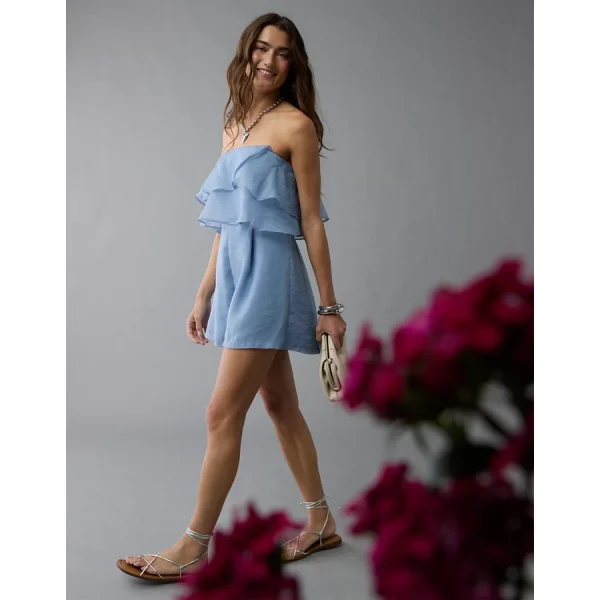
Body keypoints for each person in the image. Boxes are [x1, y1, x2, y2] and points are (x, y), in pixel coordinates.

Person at [117, 12, 346, 583]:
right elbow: (227, 221)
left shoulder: (296, 126)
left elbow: (311, 221)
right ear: (247, 54)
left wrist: (329, 307)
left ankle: (193, 546)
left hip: (270, 278)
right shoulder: (234, 125)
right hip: (237, 276)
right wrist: (204, 293)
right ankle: (321, 522)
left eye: (283, 52)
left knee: (221, 414)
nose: (270, 60)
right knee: (280, 406)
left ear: (294, 65)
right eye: (261, 48)